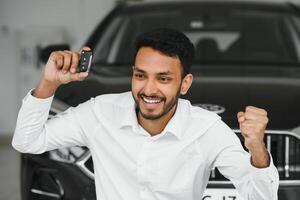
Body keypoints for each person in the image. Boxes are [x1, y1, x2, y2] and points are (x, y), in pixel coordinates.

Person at [12, 28, 279, 200]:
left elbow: (261, 197)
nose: (148, 89)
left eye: (163, 78)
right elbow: (27, 141)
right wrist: (49, 82)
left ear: (184, 84)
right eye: (141, 75)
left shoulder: (207, 129)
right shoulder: (99, 112)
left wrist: (256, 148)